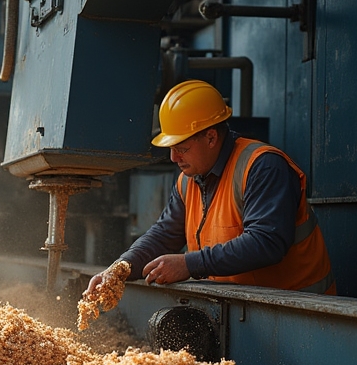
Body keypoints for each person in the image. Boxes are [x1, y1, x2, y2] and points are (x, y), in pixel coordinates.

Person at [87, 79, 334, 298]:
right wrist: (121, 267)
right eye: (170, 148)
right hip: (243, 309)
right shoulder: (189, 178)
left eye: (181, 148)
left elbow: (265, 242)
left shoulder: (262, 166)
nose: (173, 158)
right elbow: (164, 235)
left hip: (301, 313)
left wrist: (189, 264)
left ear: (211, 138)